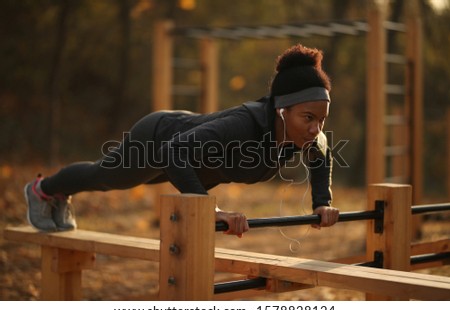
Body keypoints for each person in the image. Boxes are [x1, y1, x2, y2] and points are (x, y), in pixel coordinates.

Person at [24, 44, 339, 237]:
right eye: (308, 118)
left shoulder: (306, 136)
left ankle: (54, 193)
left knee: (120, 178)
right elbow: (172, 151)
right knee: (105, 177)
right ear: (282, 110)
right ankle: (44, 190)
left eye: (321, 119)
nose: (315, 129)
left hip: (186, 162)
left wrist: (322, 202)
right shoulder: (243, 125)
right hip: (159, 138)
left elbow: (323, 154)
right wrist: (209, 211)